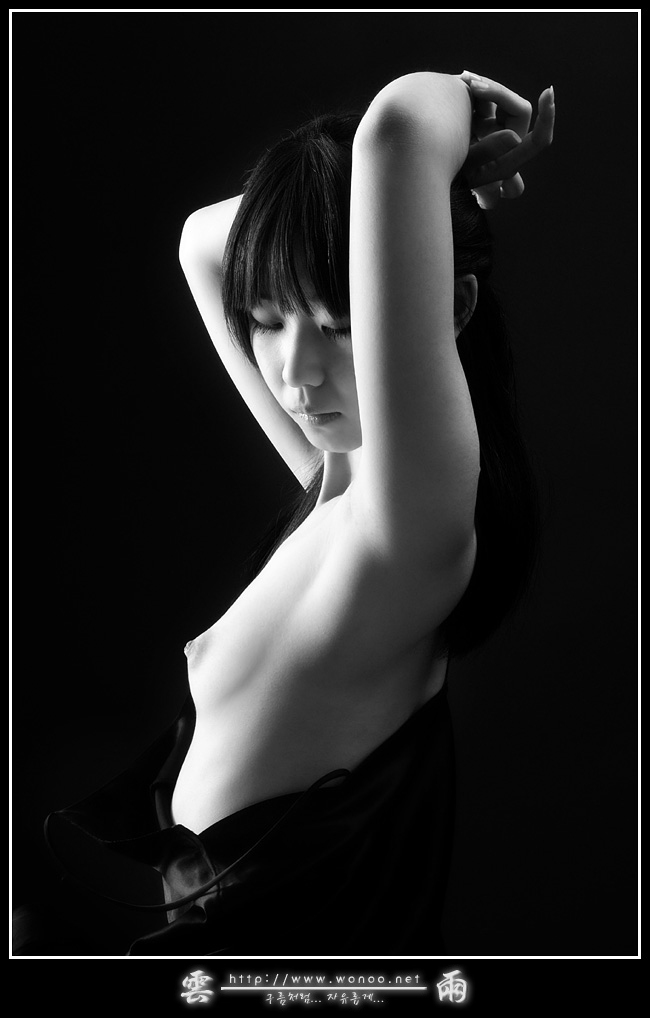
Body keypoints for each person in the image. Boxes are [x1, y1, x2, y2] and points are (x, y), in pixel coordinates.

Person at [13, 69, 555, 956]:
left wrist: (456, 115)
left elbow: (398, 130)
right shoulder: (334, 484)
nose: (296, 374)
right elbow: (201, 243)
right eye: (266, 319)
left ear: (445, 306)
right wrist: (391, 203)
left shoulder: (404, 531)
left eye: (339, 324)